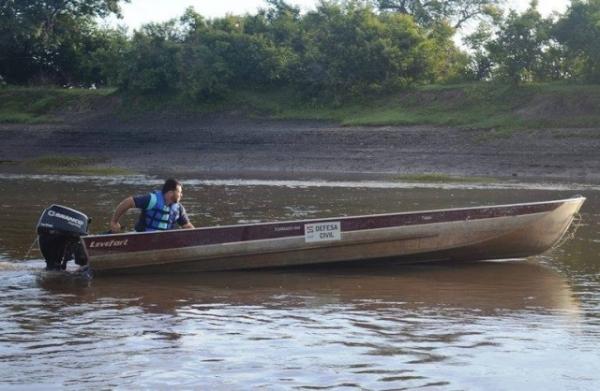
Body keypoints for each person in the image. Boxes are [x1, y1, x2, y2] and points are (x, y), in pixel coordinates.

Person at [110, 178, 195, 233]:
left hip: (164, 241)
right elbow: (128, 202)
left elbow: (187, 226)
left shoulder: (178, 208)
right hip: (142, 237)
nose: (181, 195)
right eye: (179, 192)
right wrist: (114, 222)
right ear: (170, 193)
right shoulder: (152, 200)